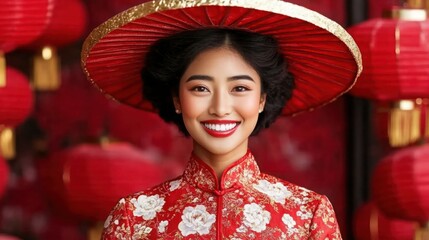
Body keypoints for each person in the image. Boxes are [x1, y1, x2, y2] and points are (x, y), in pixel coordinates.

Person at [81, 0, 362, 239]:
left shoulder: (308, 213)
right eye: (200, 89)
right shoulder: (133, 218)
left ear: (262, 98)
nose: (220, 108)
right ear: (177, 99)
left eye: (239, 88)